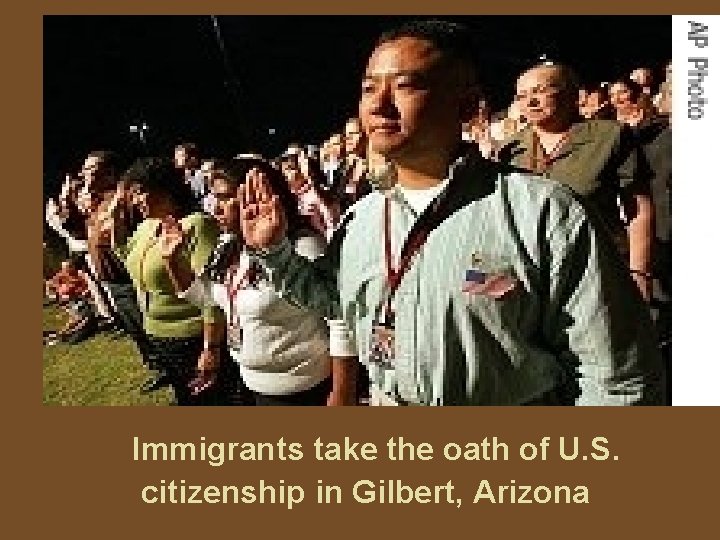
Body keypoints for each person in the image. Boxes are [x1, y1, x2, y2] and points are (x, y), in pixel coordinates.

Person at [238, 20, 665, 406]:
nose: (378, 105)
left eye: (405, 86)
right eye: (369, 88)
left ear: (467, 106)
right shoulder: (361, 220)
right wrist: (274, 252)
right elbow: (336, 301)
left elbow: (617, 378)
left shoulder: (543, 212)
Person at [161, 158, 357, 405]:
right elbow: (209, 298)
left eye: (225, 198)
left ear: (259, 196)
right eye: (214, 197)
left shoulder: (302, 246)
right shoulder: (227, 246)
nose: (215, 208)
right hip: (251, 382)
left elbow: (339, 319)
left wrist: (341, 392)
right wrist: (173, 261)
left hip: (304, 388)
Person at [499, 64, 655, 299]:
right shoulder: (509, 149)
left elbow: (638, 209)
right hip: (529, 277)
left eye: (540, 91)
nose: (530, 102)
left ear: (572, 93)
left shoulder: (609, 136)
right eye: (522, 96)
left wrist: (639, 273)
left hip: (595, 270)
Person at [111, 157, 247, 405]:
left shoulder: (197, 225)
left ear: (163, 189)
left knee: (214, 404)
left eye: (140, 192)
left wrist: (211, 348)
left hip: (192, 337)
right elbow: (127, 259)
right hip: (160, 336)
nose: (135, 200)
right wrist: (116, 220)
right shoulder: (148, 228)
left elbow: (212, 294)